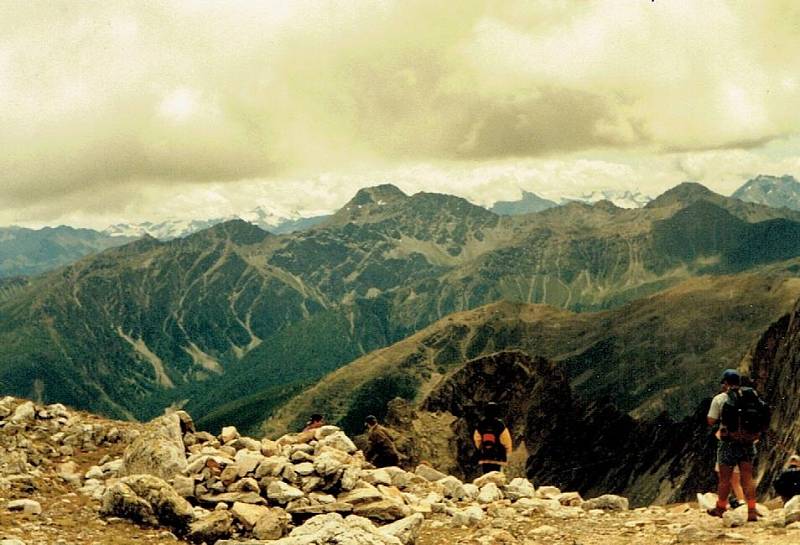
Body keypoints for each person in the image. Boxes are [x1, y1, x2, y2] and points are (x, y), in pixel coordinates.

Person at [706, 369, 759, 521]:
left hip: (728, 443)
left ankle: (720, 508)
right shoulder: (750, 396)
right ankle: (752, 511)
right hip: (748, 443)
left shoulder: (720, 399)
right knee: (747, 478)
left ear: (726, 383)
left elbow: (710, 420)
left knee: (724, 478)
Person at [473, 402, 512, 474]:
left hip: (484, 455)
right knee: (496, 474)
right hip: (498, 456)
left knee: (486, 474)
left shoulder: (481, 424)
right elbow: (506, 440)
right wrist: (507, 453)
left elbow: (477, 439)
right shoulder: (500, 425)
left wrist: (481, 448)